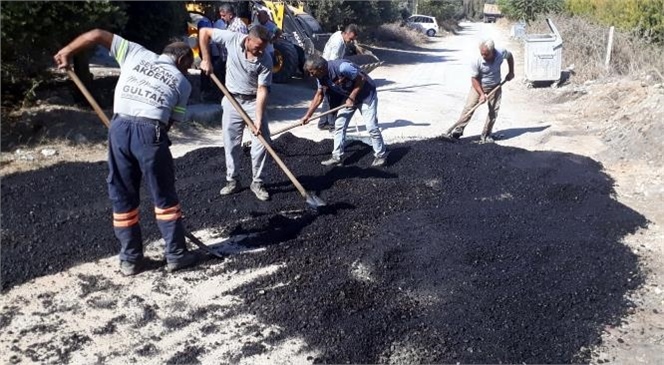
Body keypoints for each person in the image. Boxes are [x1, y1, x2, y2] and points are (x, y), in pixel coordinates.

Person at [53, 29, 200, 276]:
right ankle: (176, 254)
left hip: (119, 127)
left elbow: (98, 33)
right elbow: (170, 122)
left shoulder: (135, 52)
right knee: (163, 194)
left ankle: (130, 260)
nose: (186, 70)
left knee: (122, 193)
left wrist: (67, 50)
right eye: (187, 66)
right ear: (182, 60)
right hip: (151, 130)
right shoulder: (183, 82)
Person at [198, 25, 273, 201]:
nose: (260, 52)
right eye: (257, 48)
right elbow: (204, 33)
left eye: (263, 48)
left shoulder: (266, 59)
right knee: (231, 142)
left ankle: (258, 182)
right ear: (247, 40)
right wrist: (206, 59)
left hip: (253, 101)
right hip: (231, 99)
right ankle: (233, 180)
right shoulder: (231, 38)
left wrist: (258, 120)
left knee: (261, 144)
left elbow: (262, 90)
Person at [300, 54, 387, 167]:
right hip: (349, 97)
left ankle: (380, 155)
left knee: (371, 126)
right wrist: (308, 115)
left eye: (312, 72)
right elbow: (319, 95)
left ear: (320, 68)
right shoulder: (320, 77)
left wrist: (352, 97)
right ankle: (337, 157)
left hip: (366, 95)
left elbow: (361, 79)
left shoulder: (342, 67)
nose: (311, 75)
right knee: (339, 124)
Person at [444, 39, 514, 143]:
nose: (484, 56)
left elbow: (510, 56)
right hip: (478, 86)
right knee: (468, 108)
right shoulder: (477, 60)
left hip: (495, 86)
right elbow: (474, 79)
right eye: (482, 54)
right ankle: (458, 130)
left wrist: (511, 71)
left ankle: (486, 134)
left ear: (493, 51)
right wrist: (481, 94)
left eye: (486, 54)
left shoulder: (500, 53)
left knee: (493, 111)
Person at [318, 24, 359, 130]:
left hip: (324, 69)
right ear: (346, 33)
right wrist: (338, 79)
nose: (351, 41)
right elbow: (333, 63)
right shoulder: (338, 43)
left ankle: (323, 123)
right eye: (350, 39)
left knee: (327, 98)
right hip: (326, 72)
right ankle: (332, 125)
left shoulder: (338, 34)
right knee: (334, 97)